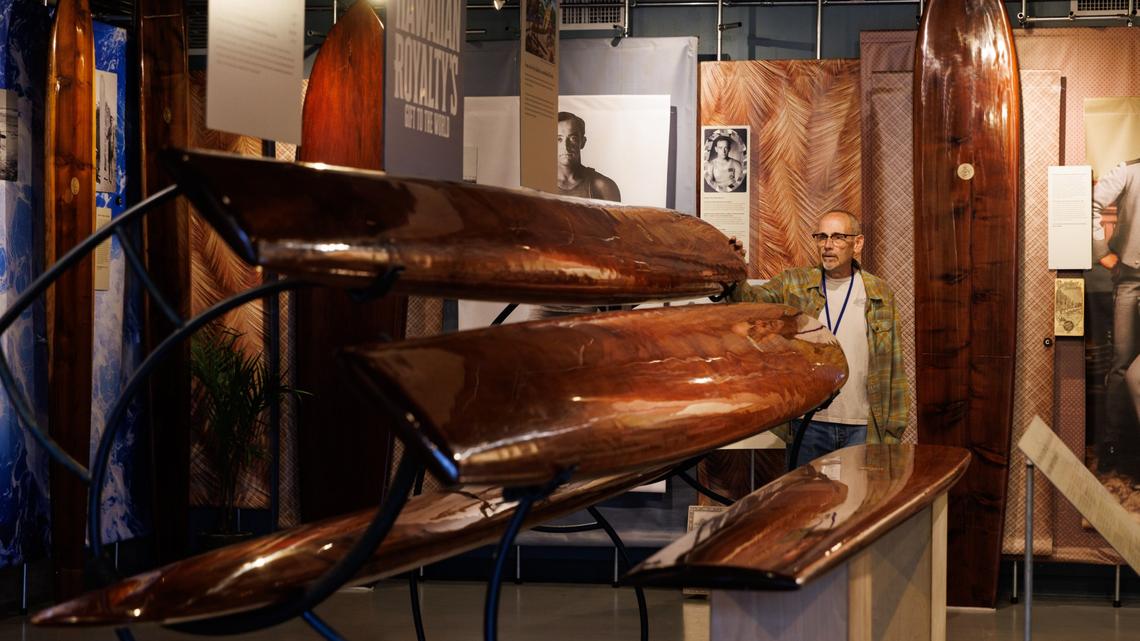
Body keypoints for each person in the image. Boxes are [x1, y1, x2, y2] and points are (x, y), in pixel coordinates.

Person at [731, 210, 909, 468]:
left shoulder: (879, 293)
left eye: (838, 237)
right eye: (821, 237)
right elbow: (749, 304)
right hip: (809, 424)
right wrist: (735, 269)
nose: (827, 245)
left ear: (857, 243)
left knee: (858, 505)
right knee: (807, 503)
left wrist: (893, 431)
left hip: (862, 425)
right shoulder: (794, 283)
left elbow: (894, 366)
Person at [1092, 158, 1140, 476]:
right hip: (1131, 278)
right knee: (1121, 365)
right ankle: (1114, 445)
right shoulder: (1130, 170)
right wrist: (1101, 252)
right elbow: (1088, 205)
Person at [556, 111, 621, 201]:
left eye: (573, 138)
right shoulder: (539, 185)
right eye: (559, 139)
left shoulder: (603, 186)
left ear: (583, 142)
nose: (566, 146)